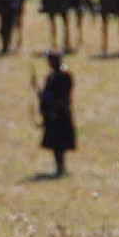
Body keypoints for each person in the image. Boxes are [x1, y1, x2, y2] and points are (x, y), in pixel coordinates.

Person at [37, 49, 76, 177]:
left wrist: (53, 104)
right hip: (52, 113)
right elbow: (48, 93)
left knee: (60, 143)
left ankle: (61, 167)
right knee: (55, 144)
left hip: (60, 113)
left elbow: (63, 95)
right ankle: (58, 166)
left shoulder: (65, 76)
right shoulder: (51, 77)